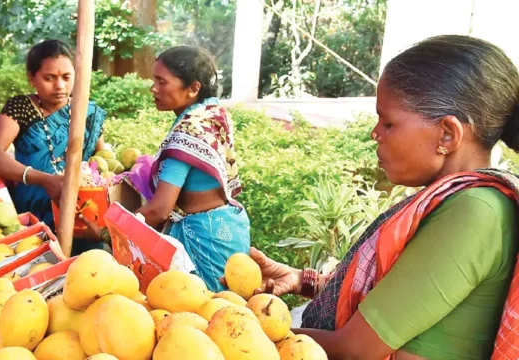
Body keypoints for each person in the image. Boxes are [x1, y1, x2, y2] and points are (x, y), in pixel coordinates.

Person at [233, 35, 519, 360]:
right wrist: (304, 280)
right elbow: (404, 300)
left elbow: (355, 350)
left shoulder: (474, 211)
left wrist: (232, 324)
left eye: (388, 122)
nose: (375, 133)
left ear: (447, 134)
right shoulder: (464, 203)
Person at [81, 46, 250, 292]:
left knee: (200, 315)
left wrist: (107, 233)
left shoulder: (188, 132)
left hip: (202, 240)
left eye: (162, 81)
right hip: (227, 230)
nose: (153, 88)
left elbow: (159, 210)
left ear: (193, 89)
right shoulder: (213, 114)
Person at [0, 39, 107, 255]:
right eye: (49, 78)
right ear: (32, 77)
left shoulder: (86, 111)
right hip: (34, 212)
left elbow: (102, 158)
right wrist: (45, 180)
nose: (60, 86)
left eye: (67, 77)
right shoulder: (21, 108)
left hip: (83, 210)